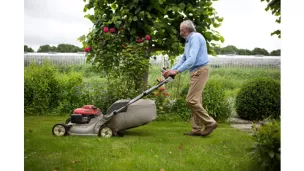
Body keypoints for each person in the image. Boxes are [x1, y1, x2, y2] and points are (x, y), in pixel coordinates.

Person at [163, 20, 217, 136]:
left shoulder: (195, 37)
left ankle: (210, 122)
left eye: (181, 30)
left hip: (199, 70)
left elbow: (192, 59)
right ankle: (197, 129)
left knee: (191, 100)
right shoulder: (188, 41)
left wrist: (177, 71)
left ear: (187, 29)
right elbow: (183, 59)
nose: (180, 32)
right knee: (196, 101)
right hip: (195, 71)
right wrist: (171, 70)